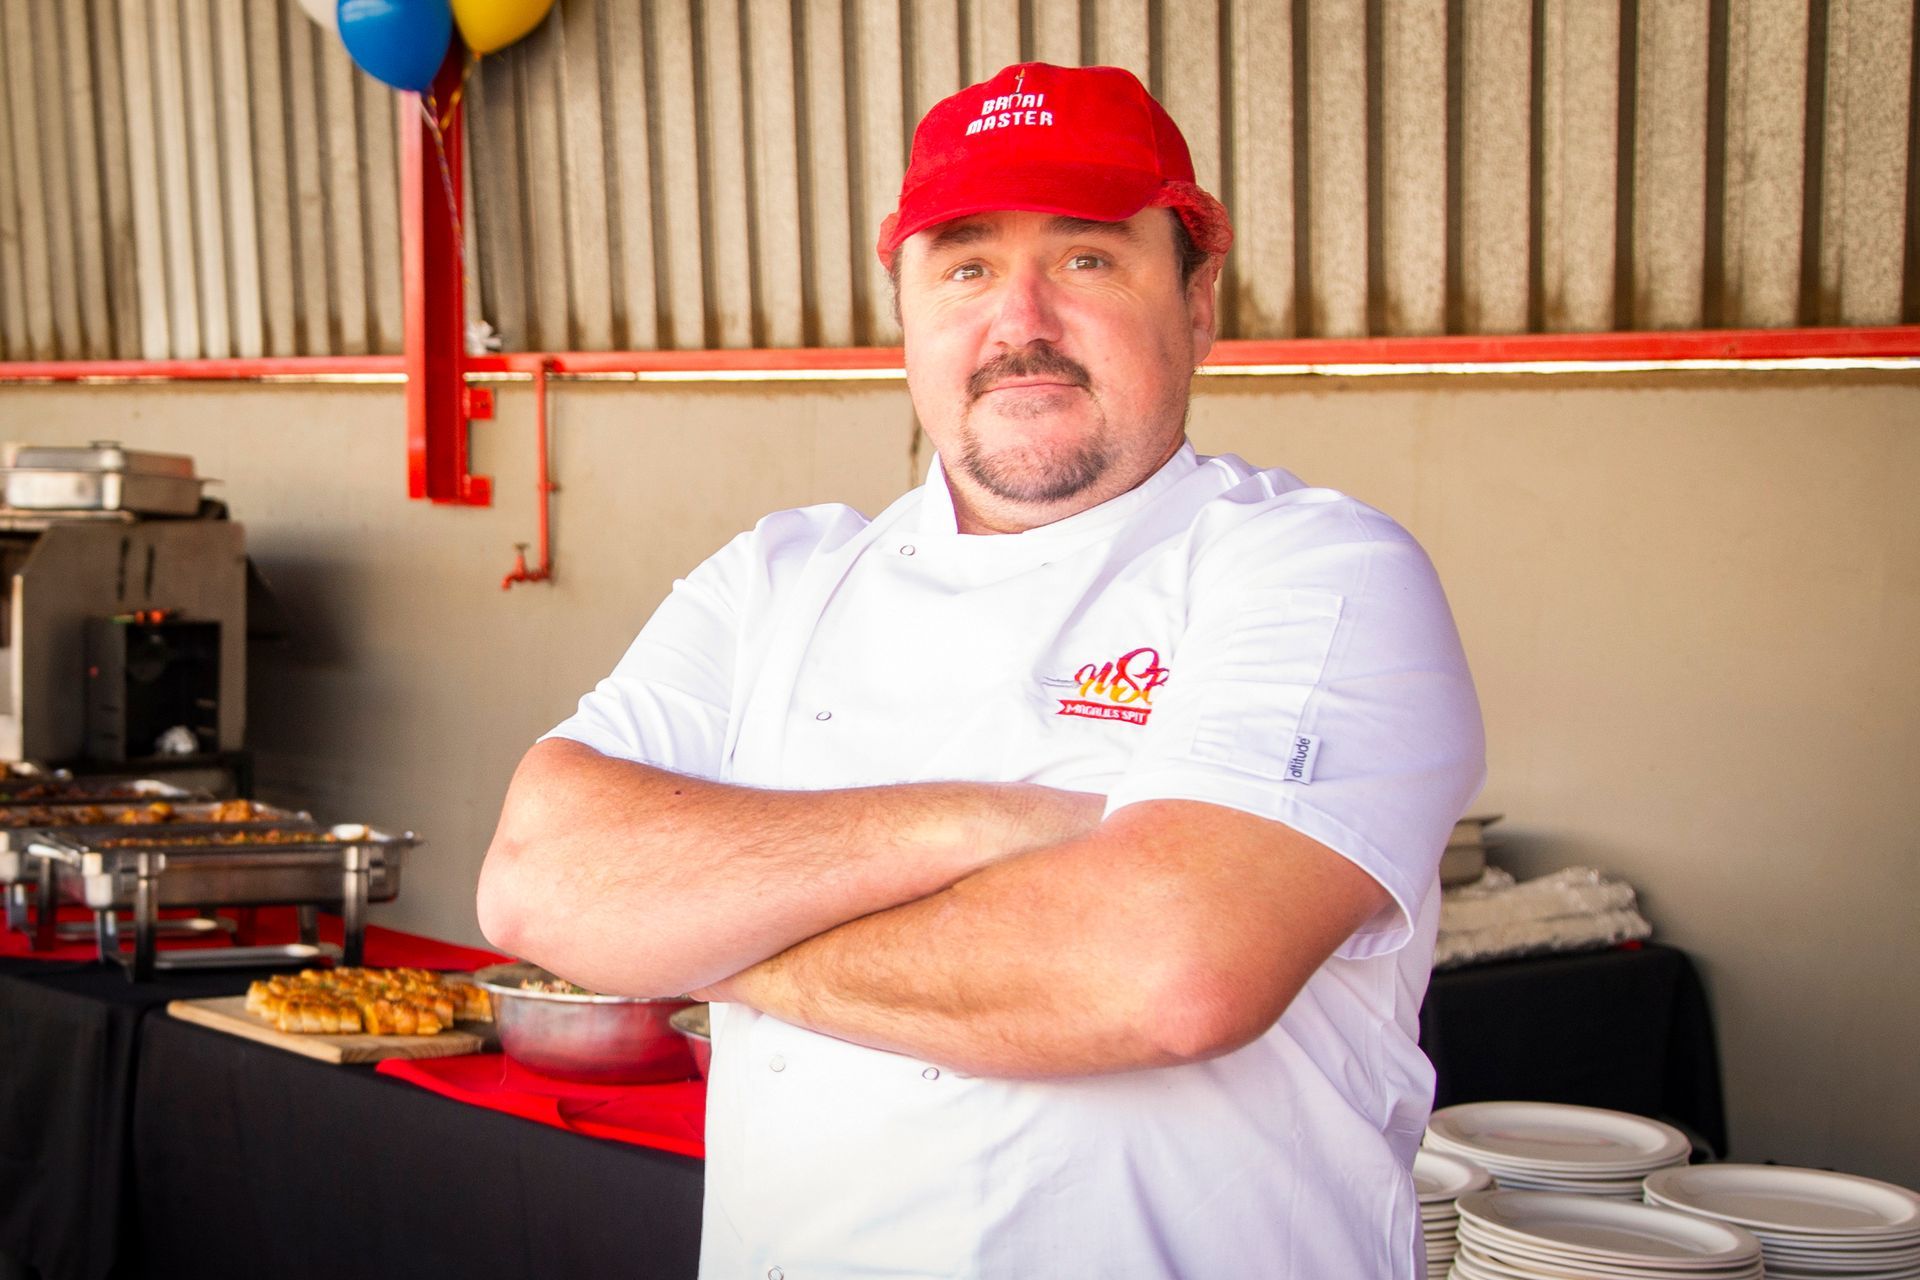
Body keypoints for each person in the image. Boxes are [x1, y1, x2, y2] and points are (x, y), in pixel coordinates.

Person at [478, 61, 1485, 1279]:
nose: (1020, 324)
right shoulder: (777, 577)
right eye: (965, 267)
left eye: (1088, 259)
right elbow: (539, 884)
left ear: (1200, 299)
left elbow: (1166, 971)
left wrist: (700, 939)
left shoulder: (1315, 571)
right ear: (905, 314)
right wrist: (988, 821)